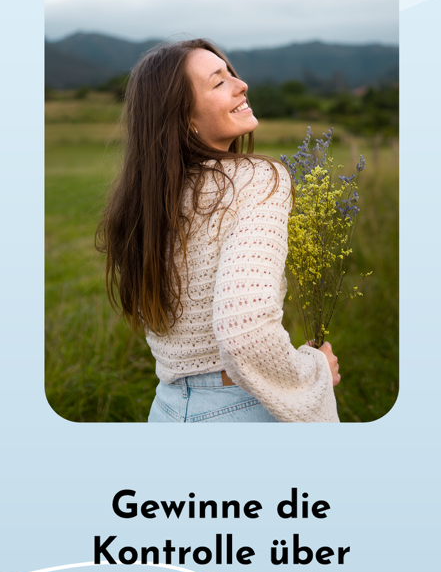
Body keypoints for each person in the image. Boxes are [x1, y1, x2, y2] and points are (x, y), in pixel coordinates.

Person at [96, 38, 340, 423]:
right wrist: (312, 370)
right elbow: (246, 331)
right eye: (218, 82)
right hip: (241, 409)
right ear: (184, 118)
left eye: (231, 73)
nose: (240, 84)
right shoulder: (259, 179)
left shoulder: (147, 202)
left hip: (167, 410)